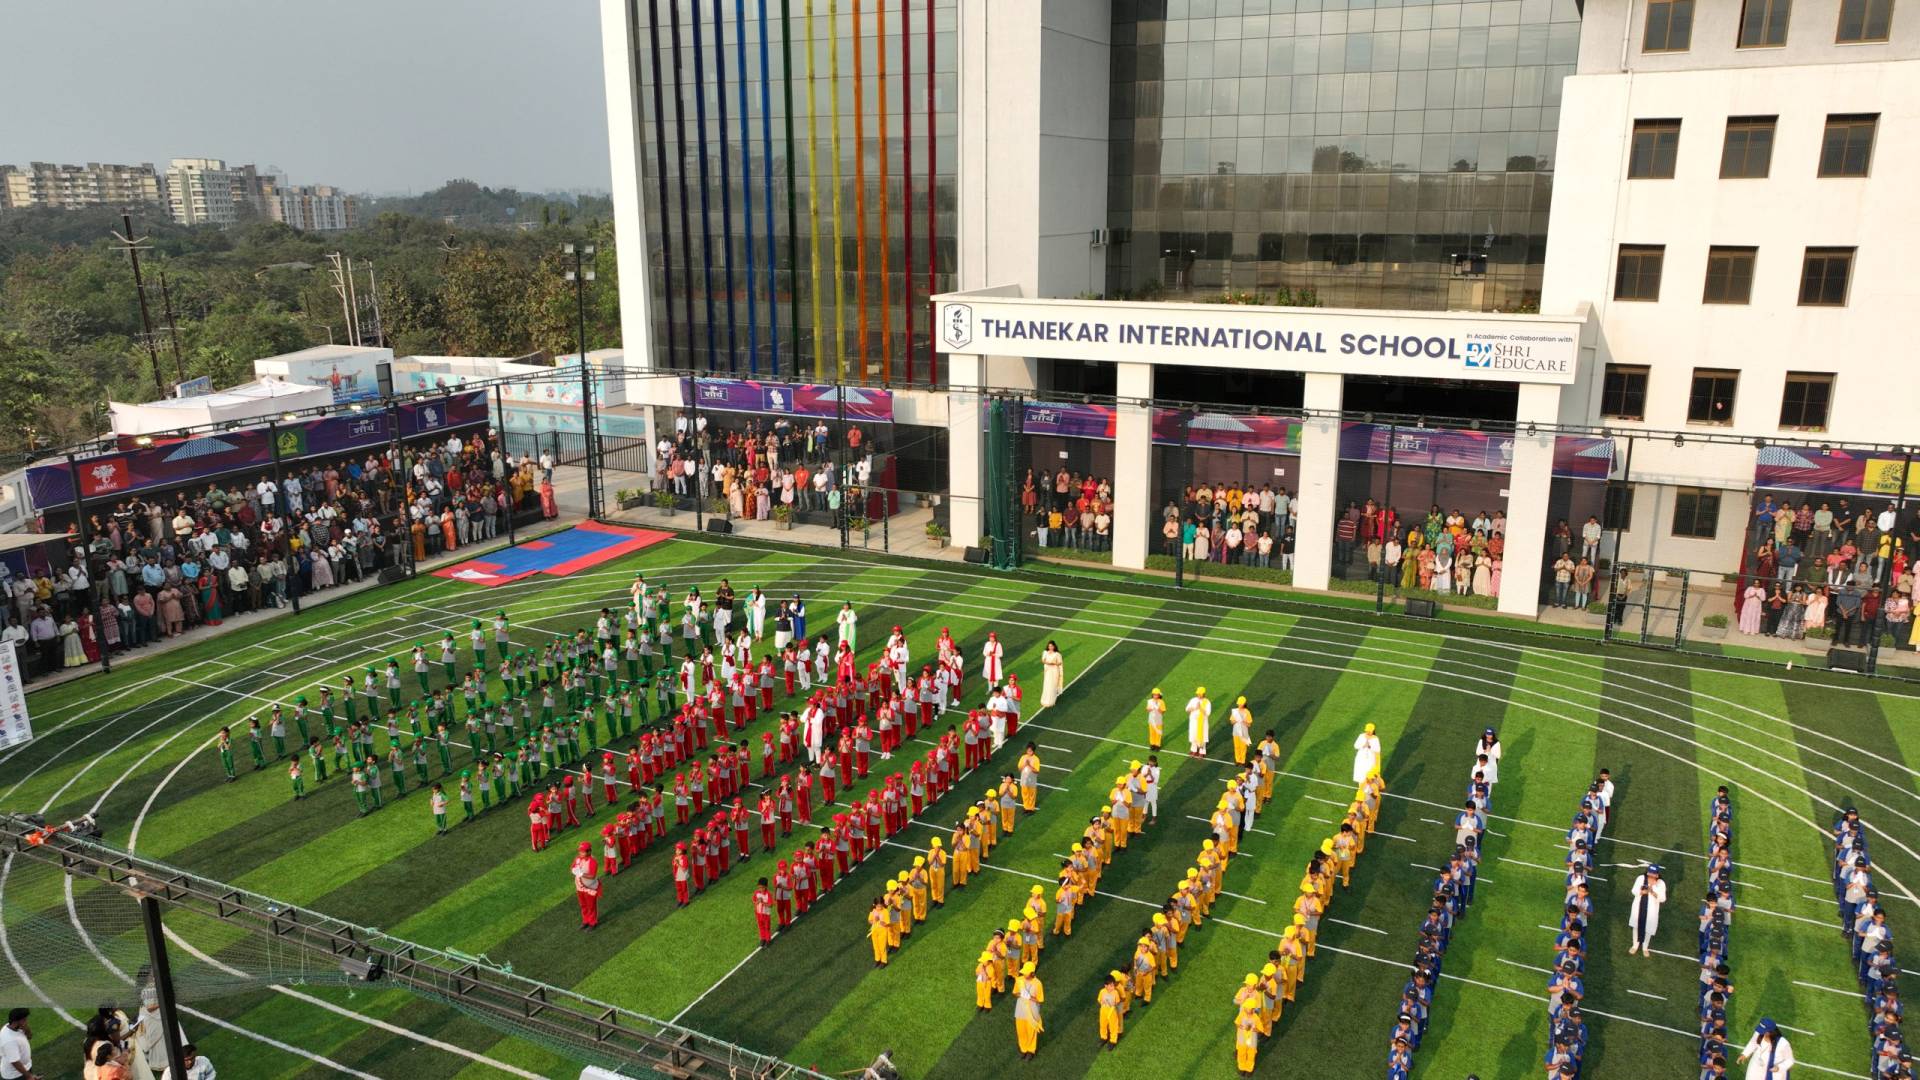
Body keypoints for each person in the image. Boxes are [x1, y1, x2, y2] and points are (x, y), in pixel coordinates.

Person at [1627, 864, 1666, 956]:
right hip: (1639, 907)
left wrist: (1652, 891)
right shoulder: (1641, 878)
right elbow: (1634, 891)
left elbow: (1663, 898)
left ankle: (1645, 947)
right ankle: (1635, 945)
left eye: (1653, 874)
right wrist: (1642, 892)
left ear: (1657, 875)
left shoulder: (1661, 883)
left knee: (1648, 928)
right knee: (1636, 925)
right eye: (1649, 873)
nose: (1651, 875)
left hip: (1651, 910)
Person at [1013, 961, 1045, 1058]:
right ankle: (1023, 1049)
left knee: (1031, 1031)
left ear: (1032, 973)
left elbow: (1040, 1000)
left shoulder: (1038, 984)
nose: (1024, 975)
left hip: (1032, 1010)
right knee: (1021, 1030)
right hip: (1020, 1009)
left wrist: (1029, 997)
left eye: (1026, 973)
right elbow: (1015, 993)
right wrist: (1021, 994)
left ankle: (1031, 1050)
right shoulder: (1019, 980)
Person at [572, 841, 602, 929]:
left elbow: (592, 876)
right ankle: (586, 921)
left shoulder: (592, 861)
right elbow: (573, 867)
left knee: (591, 906)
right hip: (580, 888)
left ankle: (593, 922)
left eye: (582, 851)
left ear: (589, 851)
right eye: (580, 851)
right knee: (583, 905)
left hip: (590, 888)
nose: (580, 853)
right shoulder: (578, 859)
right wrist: (574, 870)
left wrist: (581, 874)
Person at [0, 1009, 32, 1080]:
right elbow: (15, 1062)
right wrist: (29, 1076)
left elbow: (29, 1037)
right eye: (24, 1020)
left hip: (25, 1068)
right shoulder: (9, 1040)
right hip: (16, 1075)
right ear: (16, 1021)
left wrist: (26, 1029)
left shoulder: (16, 1027)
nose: (26, 1022)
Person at [1185, 687, 1211, 757]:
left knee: (1202, 736)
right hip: (1193, 721)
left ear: (1203, 694)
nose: (1199, 695)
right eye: (1198, 693)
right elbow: (1187, 709)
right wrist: (1194, 708)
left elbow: (1207, 713)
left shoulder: (1207, 702)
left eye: (1200, 694)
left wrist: (1200, 707)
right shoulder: (1193, 700)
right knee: (1193, 735)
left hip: (1202, 722)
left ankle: (1202, 751)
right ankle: (1194, 750)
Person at [1039, 641, 1064, 708]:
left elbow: (1059, 663)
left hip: (1054, 671)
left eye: (1052, 646)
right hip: (1048, 671)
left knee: (1052, 685)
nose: (1050, 647)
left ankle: (1051, 701)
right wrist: (1048, 663)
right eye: (1049, 646)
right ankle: (1045, 700)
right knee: (1047, 684)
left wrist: (1053, 663)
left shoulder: (1057, 654)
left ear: (1054, 646)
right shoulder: (1045, 652)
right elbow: (1042, 660)